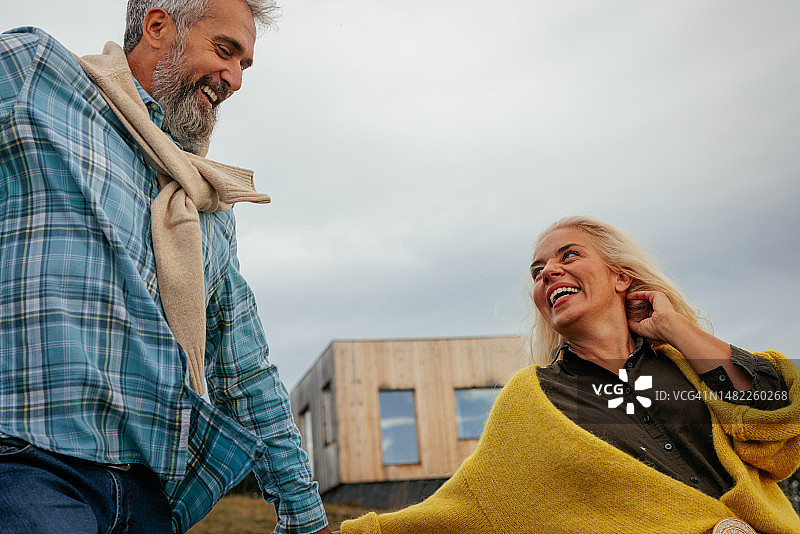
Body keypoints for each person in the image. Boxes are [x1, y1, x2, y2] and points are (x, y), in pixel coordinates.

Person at [0, 1, 332, 533]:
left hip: (149, 495)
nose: (235, 80)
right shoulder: (36, 76)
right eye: (225, 51)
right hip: (28, 466)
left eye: (245, 65)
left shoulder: (205, 205)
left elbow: (244, 368)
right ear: (158, 27)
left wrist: (305, 514)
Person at [337, 215, 800, 534]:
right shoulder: (534, 400)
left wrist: (675, 327)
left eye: (569, 255)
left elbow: (775, 421)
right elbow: (466, 507)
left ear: (621, 277)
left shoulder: (686, 363)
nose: (548, 272)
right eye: (537, 271)